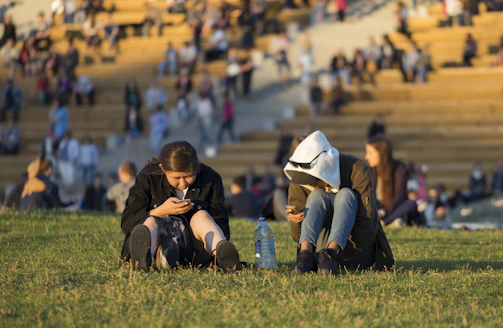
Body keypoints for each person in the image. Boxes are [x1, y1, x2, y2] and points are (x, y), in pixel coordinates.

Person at [120, 141, 242, 272]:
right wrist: (160, 211)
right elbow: (127, 221)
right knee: (150, 221)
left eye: (189, 176)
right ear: (163, 168)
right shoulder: (147, 178)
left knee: (202, 216)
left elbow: (220, 219)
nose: (183, 182)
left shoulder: (210, 178)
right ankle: (143, 261)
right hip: (160, 244)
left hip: (194, 248)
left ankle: (224, 256)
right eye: (176, 177)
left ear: (197, 168)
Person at [284, 130, 395, 274]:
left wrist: (338, 251)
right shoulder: (300, 175)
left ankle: (331, 254)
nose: (310, 185)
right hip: (318, 251)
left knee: (345, 194)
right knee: (317, 195)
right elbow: (297, 235)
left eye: (313, 180)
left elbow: (367, 226)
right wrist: (296, 220)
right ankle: (305, 255)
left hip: (355, 250)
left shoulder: (356, 169)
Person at [365, 135, 421, 227]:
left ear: (381, 153)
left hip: (392, 209)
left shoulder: (400, 169)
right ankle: (391, 222)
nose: (366, 157)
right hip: (376, 209)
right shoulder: (369, 170)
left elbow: (399, 197)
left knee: (411, 204)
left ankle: (385, 222)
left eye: (370, 153)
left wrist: (383, 212)